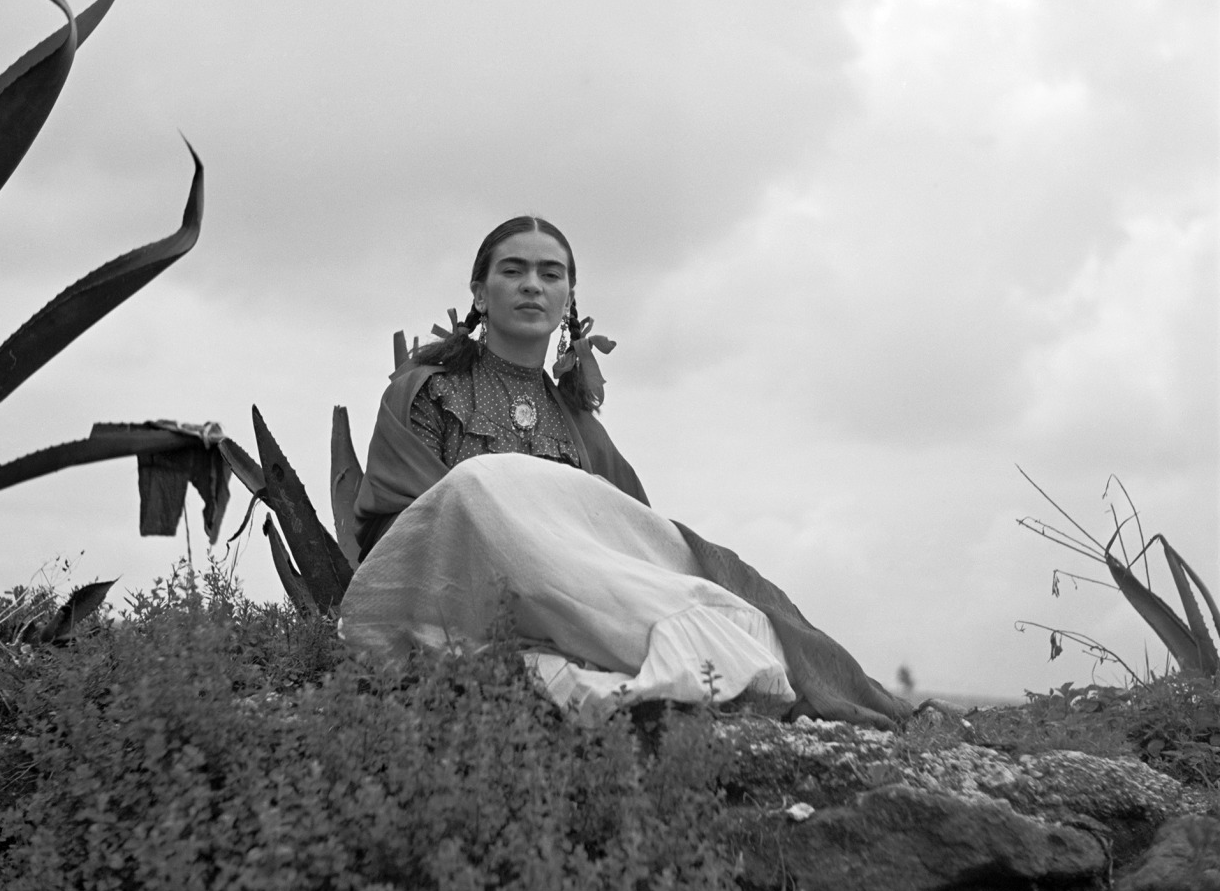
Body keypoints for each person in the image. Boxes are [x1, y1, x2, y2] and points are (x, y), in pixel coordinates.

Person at [339, 216, 910, 729]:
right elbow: (405, 530)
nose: (533, 284)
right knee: (476, 486)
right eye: (513, 271)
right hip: (461, 595)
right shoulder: (427, 393)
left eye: (551, 273)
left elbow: (624, 541)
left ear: (568, 297)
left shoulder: (580, 426)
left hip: (570, 600)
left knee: (732, 614)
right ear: (480, 294)